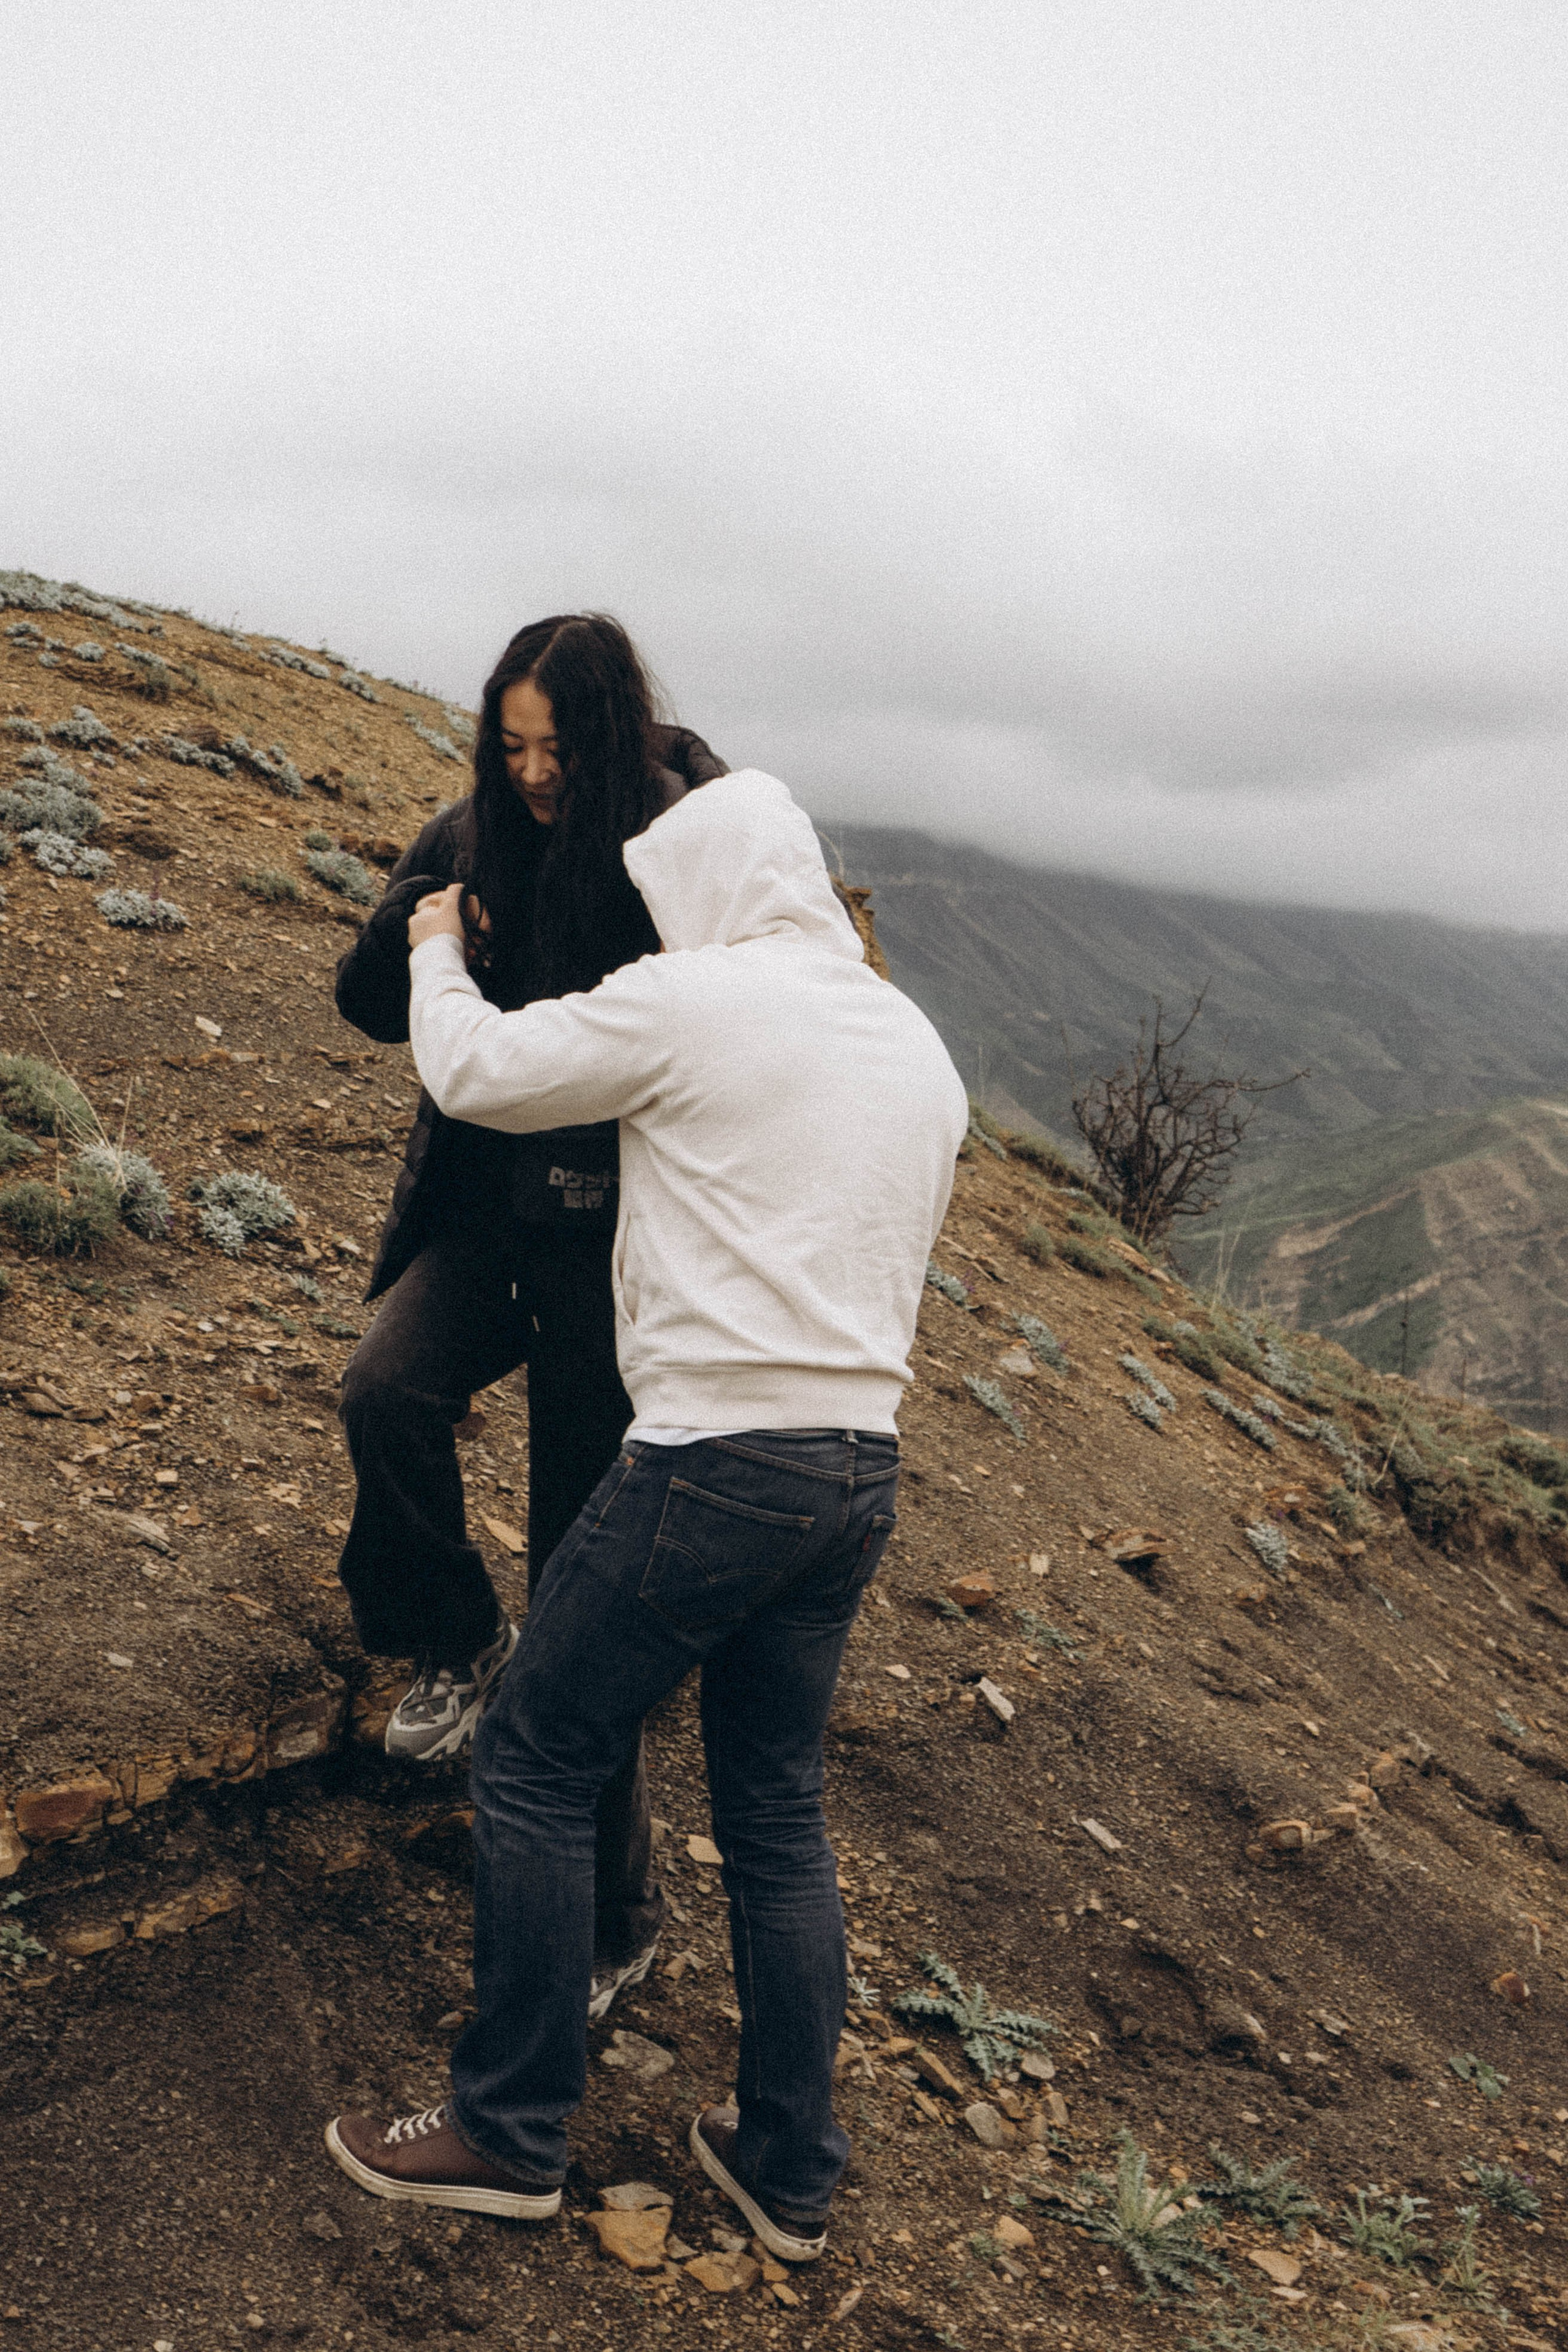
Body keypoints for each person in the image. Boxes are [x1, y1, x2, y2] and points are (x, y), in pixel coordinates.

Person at [326, 771, 968, 2260]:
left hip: (712, 1463)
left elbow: (478, 1072)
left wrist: (430, 944)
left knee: (540, 1751)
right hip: (855, 1472)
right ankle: (786, 2168)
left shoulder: (702, 1001)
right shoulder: (910, 1042)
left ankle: (506, 2130)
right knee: (773, 1815)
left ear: (707, 893)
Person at [333, 613, 726, 2012]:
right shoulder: (468, 831)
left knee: (580, 1581)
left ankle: (619, 1919)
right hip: (484, 1220)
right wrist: (417, 925)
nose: (535, 770)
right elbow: (368, 1006)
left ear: (614, 732)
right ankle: (451, 1637)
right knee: (384, 1391)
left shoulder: (679, 844)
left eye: (558, 745)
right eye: (511, 744)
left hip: (619, 1260)